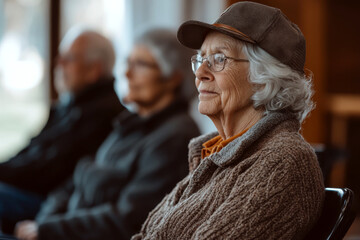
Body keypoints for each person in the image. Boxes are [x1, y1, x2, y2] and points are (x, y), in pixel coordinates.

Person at [132, 2, 325, 239]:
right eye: (201, 59)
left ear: (265, 77)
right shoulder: (213, 154)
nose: (200, 72)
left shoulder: (284, 161)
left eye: (219, 59)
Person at [14, 29, 200, 240]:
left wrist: (47, 229)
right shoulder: (129, 125)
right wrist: (44, 222)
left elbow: (129, 220)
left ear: (173, 78)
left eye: (140, 65)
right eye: (127, 63)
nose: (126, 74)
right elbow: (74, 181)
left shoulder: (175, 136)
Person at [0, 28, 124, 233]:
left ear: (93, 69)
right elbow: (29, 153)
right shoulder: (69, 107)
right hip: (31, 193)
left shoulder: (103, 115)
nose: (59, 65)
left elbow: (45, 173)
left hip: (52, 207)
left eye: (69, 59)